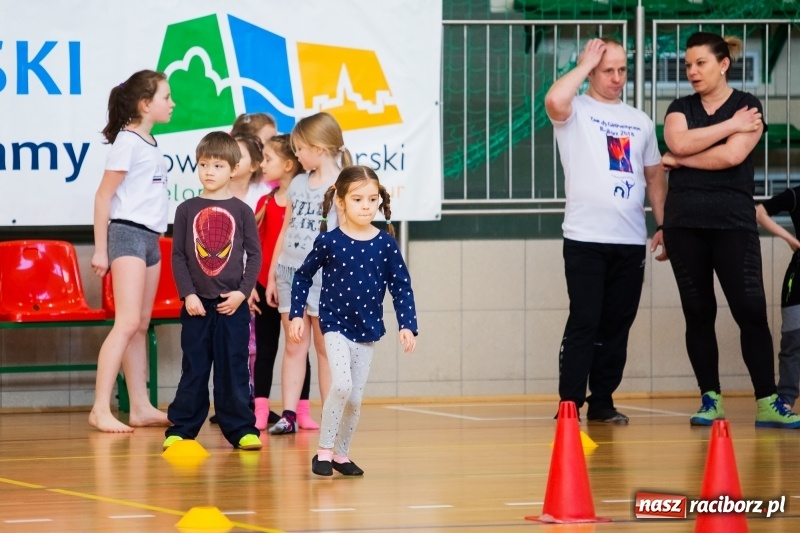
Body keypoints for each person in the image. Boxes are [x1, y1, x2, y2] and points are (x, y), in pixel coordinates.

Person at [661, 31, 800, 428]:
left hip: (734, 225)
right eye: (688, 65)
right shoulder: (679, 108)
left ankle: (768, 402)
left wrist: (682, 158)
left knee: (750, 310)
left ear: (723, 64)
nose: (692, 71)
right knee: (698, 312)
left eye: (700, 63)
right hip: (684, 224)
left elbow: (731, 156)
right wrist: (726, 127)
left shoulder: (747, 106)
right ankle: (711, 399)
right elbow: (677, 141)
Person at [544, 37, 667, 424]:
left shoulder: (640, 121)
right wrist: (583, 64)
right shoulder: (575, 110)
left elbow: (654, 177)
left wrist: (664, 224)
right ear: (591, 73)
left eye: (622, 70)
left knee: (617, 324)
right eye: (607, 70)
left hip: (629, 240)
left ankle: (602, 401)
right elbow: (554, 99)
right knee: (585, 320)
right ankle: (569, 402)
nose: (616, 78)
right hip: (584, 238)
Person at [287, 165, 418, 476]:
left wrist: (407, 324)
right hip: (334, 323)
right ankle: (323, 451)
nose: (366, 206)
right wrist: (296, 314)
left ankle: (341, 455)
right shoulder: (329, 241)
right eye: (358, 200)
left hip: (367, 328)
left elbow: (401, 285)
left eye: (372, 200)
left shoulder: (385, 244)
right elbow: (303, 276)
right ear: (341, 202)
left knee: (355, 399)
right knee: (342, 385)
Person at [163, 131, 263, 450]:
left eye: (218, 166)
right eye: (204, 164)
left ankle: (241, 429)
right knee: (194, 368)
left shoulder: (243, 211)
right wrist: (188, 294)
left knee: (233, 368)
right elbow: (178, 256)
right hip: (197, 307)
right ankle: (182, 428)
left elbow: (255, 255)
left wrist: (242, 293)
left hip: (232, 306)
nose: (209, 171)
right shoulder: (186, 209)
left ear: (233, 169)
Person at [89, 70, 175, 433]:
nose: (172, 103)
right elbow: (103, 196)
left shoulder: (149, 141)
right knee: (125, 323)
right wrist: (100, 250)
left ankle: (140, 407)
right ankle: (100, 409)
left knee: (140, 324)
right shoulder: (127, 141)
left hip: (150, 239)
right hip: (126, 235)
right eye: (166, 97)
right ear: (145, 104)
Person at [266, 112, 353, 435]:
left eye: (300, 148)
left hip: (324, 278)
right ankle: (288, 415)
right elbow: (286, 228)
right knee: (293, 346)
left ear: (318, 148)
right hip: (290, 274)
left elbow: (349, 237)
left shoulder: (343, 185)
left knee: (325, 349)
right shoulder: (298, 183)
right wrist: (274, 273)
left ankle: (332, 416)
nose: (297, 154)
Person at [250, 135, 319, 430]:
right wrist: (253, 284)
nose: (262, 165)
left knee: (299, 347)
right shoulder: (265, 202)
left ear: (289, 164)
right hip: (267, 285)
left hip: (296, 283)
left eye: (268, 159)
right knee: (265, 350)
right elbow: (255, 247)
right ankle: (260, 409)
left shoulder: (305, 199)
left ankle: (301, 411)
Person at [756, 191, 800, 408]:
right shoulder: (796, 194)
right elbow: (760, 213)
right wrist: (790, 239)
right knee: (793, 340)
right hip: (797, 280)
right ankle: (785, 399)